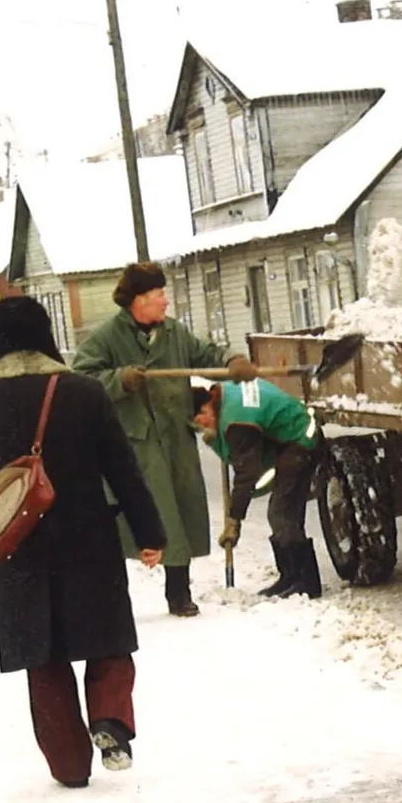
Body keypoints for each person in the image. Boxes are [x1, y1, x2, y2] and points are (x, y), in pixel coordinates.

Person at [0, 297, 167, 789]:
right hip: (89, 538)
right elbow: (123, 470)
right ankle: (110, 721)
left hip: (16, 549)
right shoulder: (82, 392)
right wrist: (150, 534)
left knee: (43, 658)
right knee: (106, 641)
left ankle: (68, 767)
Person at [72, 263, 258, 617]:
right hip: (135, 443)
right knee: (134, 520)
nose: (165, 302)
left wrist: (231, 361)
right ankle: (111, 599)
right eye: (159, 295)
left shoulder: (173, 333)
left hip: (174, 438)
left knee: (178, 515)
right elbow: (81, 378)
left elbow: (205, 354)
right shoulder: (108, 337)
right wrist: (119, 380)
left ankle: (179, 594)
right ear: (138, 300)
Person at [190, 380, 323, 599]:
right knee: (282, 513)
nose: (202, 426)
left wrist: (234, 520)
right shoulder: (224, 393)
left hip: (301, 441)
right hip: (287, 438)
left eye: (199, 420)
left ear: (206, 407)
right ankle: (289, 577)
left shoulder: (236, 421)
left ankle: (306, 582)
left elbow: (246, 475)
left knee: (281, 514)